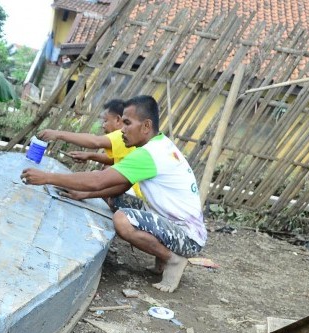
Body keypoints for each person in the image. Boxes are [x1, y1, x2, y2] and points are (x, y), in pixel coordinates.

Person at [21, 95, 206, 293]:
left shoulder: (149, 154)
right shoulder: (158, 144)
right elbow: (120, 186)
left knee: (123, 220)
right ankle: (162, 257)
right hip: (176, 225)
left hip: (187, 239)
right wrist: (83, 194)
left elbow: (98, 180)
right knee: (115, 198)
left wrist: (47, 177)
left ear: (145, 126)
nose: (122, 129)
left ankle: (173, 259)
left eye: (127, 123)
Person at [37, 99, 143, 200]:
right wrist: (90, 156)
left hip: (133, 194)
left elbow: (95, 141)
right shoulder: (128, 140)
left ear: (118, 120)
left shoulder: (122, 135)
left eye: (105, 120)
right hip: (132, 191)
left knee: (102, 173)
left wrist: (58, 134)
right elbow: (116, 159)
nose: (103, 125)